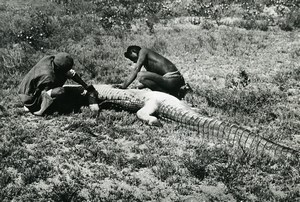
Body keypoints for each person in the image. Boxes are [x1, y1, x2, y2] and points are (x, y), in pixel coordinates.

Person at [18, 52, 99, 116]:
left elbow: (71, 73)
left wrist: (86, 86)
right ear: (58, 68)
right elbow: (45, 93)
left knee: (68, 83)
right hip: (30, 98)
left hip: (31, 89)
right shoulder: (48, 76)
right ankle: (39, 110)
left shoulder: (51, 59)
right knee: (60, 91)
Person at [115, 45, 192, 99]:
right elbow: (152, 80)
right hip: (173, 81)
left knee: (140, 75)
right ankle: (173, 94)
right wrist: (136, 87)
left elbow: (136, 70)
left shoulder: (143, 51)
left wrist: (124, 86)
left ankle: (168, 96)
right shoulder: (148, 63)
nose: (132, 61)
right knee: (143, 78)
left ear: (134, 51)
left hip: (172, 79)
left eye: (131, 56)